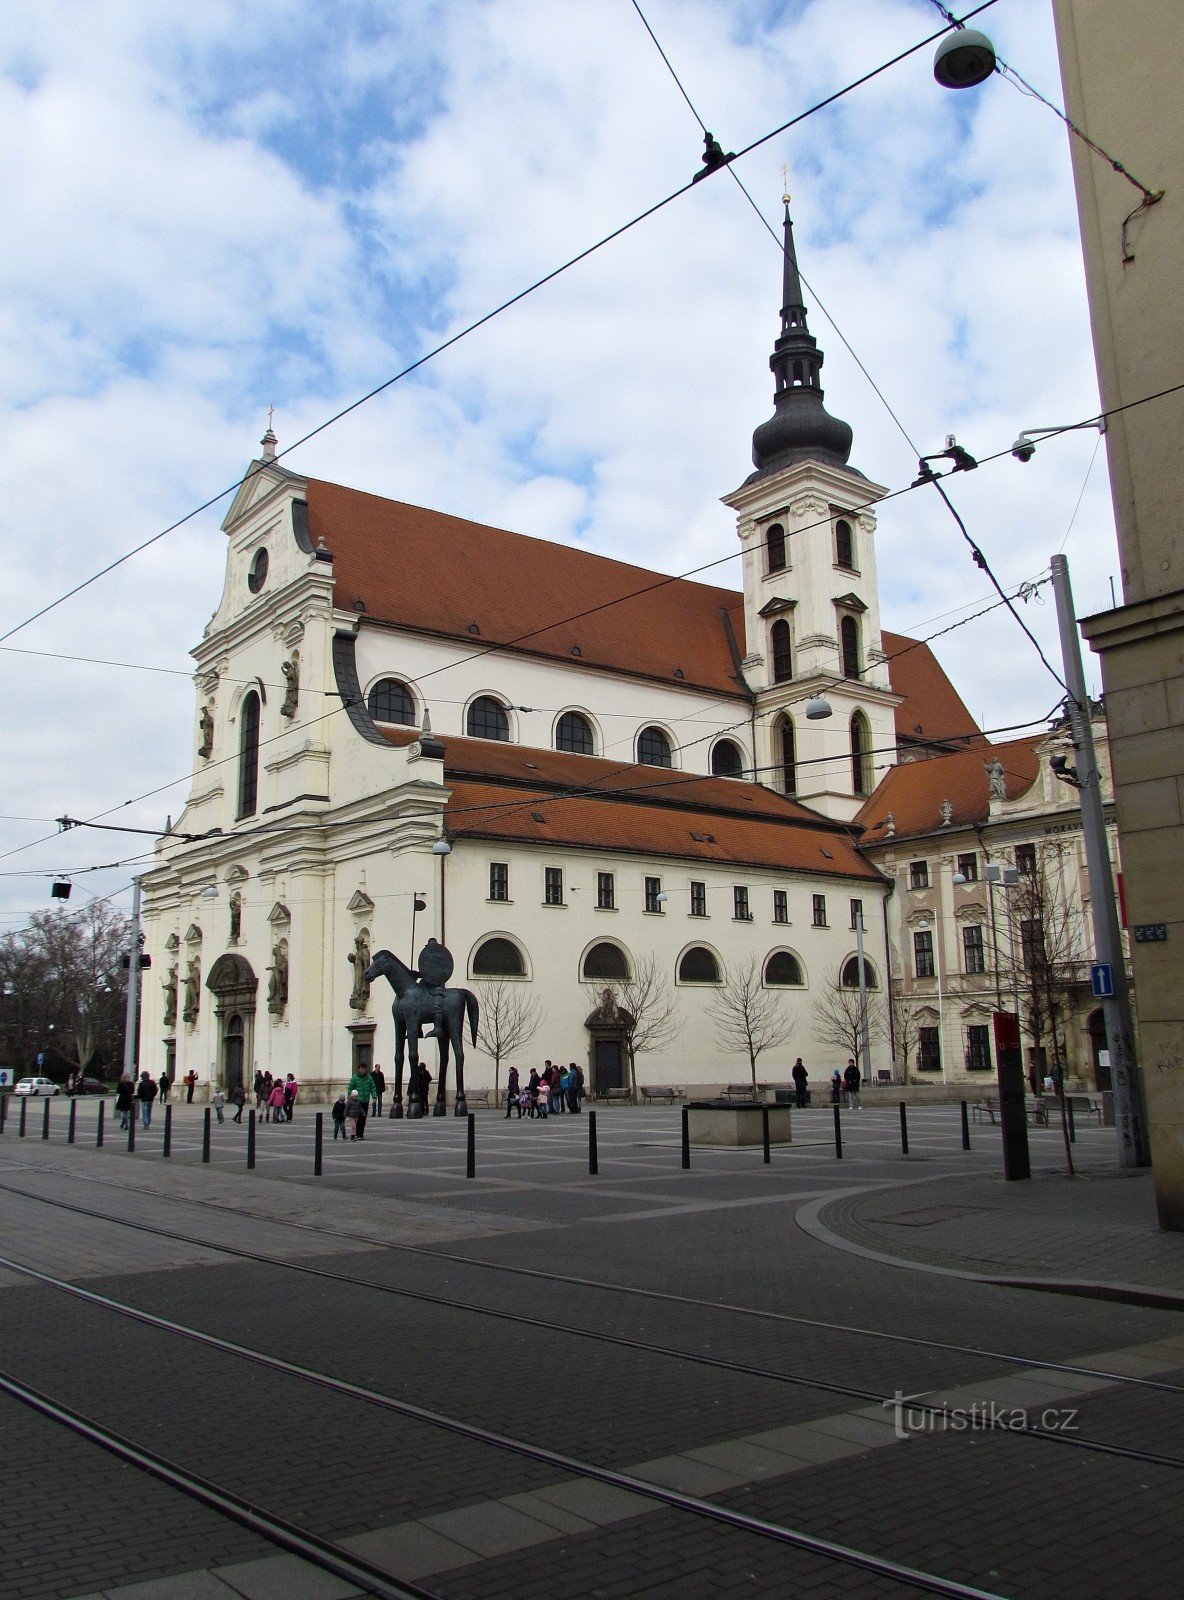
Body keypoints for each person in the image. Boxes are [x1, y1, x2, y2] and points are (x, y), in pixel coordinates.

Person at [346, 1063, 377, 1138]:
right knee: (357, 1118)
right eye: (361, 1069)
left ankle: (360, 1134)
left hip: (365, 1101)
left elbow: (372, 1087)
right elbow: (350, 1088)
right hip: (357, 1102)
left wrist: (374, 1097)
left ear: (366, 1069)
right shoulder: (355, 1078)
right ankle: (356, 1133)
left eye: (364, 1069)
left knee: (363, 1118)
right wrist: (349, 1098)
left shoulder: (369, 1078)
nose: (363, 1070)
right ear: (358, 1069)